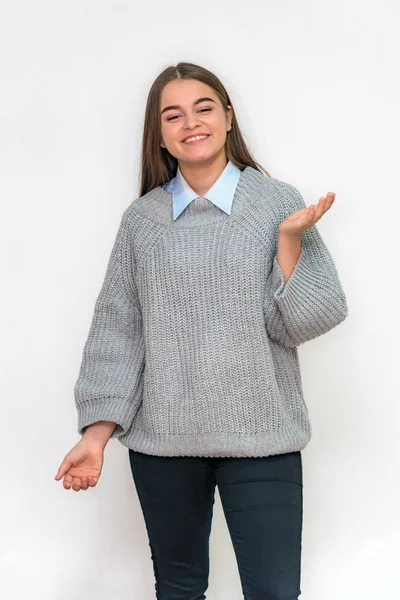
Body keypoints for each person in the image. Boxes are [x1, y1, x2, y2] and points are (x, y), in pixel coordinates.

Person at [55, 61, 348, 600]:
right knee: (180, 588)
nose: (191, 122)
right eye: (173, 114)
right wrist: (95, 435)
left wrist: (287, 242)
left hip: (263, 436)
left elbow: (313, 318)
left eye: (204, 107)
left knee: (276, 593)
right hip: (164, 443)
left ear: (229, 117)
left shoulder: (277, 203)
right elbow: (119, 331)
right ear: (161, 135)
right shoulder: (142, 221)